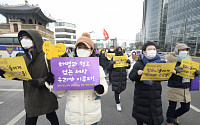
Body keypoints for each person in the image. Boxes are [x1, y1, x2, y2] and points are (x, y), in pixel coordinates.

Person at [46, 32, 108, 125]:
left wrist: (101, 89)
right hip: (73, 116)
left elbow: (104, 85)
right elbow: (60, 93)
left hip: (92, 115)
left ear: (91, 51)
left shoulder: (97, 68)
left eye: (85, 47)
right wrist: (53, 83)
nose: (82, 50)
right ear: (76, 49)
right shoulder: (68, 67)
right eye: (79, 47)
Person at [0, 30, 59, 125]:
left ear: (35, 40)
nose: (23, 40)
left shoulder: (47, 56)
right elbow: (19, 75)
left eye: (26, 38)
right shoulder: (23, 58)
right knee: (30, 120)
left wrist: (40, 82)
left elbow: (54, 76)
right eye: (21, 39)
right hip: (31, 95)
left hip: (46, 94)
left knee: (51, 115)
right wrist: (4, 73)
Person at [129, 42, 164, 125]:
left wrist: (171, 73)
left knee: (155, 119)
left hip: (155, 97)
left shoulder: (160, 63)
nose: (152, 51)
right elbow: (131, 77)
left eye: (154, 49)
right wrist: (137, 73)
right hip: (141, 97)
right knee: (140, 118)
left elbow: (165, 76)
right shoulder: (139, 63)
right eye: (149, 49)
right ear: (144, 52)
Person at [165, 43, 200, 125]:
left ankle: (173, 116)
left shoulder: (189, 61)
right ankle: (169, 120)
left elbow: (190, 74)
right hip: (174, 87)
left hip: (185, 87)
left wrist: (196, 73)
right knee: (172, 106)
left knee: (186, 107)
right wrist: (174, 71)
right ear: (177, 51)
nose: (184, 51)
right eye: (182, 50)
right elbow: (165, 75)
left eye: (186, 50)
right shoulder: (171, 61)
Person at [108, 46, 131, 111]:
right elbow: (109, 68)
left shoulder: (125, 57)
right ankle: (118, 103)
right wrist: (111, 64)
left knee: (122, 88)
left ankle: (118, 93)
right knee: (116, 90)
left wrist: (128, 63)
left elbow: (128, 67)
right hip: (115, 76)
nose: (119, 51)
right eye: (118, 50)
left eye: (120, 49)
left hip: (123, 76)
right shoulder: (113, 58)